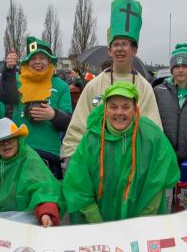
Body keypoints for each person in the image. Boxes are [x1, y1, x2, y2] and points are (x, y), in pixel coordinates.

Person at [61, 0, 163, 162]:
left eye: (125, 44)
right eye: (116, 44)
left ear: (134, 50)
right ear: (109, 50)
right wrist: (72, 160)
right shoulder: (94, 85)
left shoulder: (144, 88)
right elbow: (78, 127)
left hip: (132, 164)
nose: (120, 49)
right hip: (98, 163)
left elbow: (153, 131)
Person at [63, 82, 179, 223]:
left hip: (141, 226)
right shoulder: (92, 139)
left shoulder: (151, 137)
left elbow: (158, 183)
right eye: (113, 107)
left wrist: (141, 224)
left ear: (135, 109)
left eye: (126, 107)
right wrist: (98, 224)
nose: (119, 112)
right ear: (105, 109)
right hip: (97, 228)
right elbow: (79, 184)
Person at [0, 36, 73, 179]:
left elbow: (69, 123)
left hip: (49, 154)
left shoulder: (61, 86)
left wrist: (53, 115)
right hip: (19, 152)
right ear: (27, 61)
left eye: (42, 58)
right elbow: (5, 97)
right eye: (33, 58)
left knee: (46, 198)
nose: (38, 62)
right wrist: (8, 70)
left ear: (50, 61)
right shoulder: (17, 81)